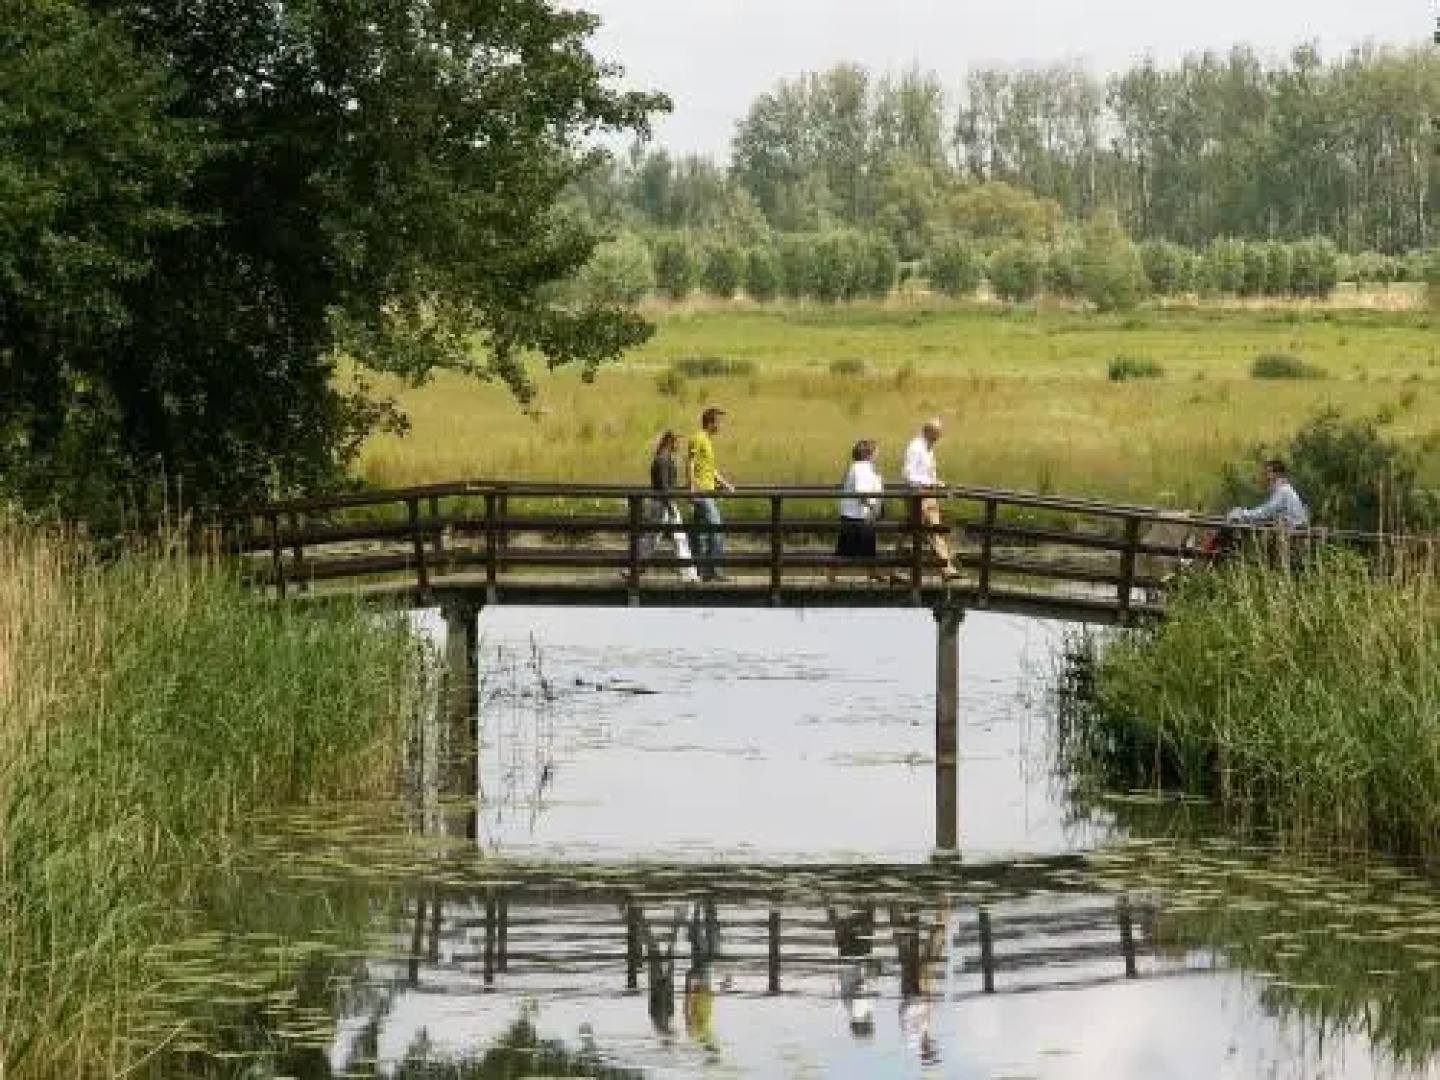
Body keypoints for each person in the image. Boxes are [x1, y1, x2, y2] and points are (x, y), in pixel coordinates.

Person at [635, 431, 700, 583]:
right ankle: (688, 574)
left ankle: (634, 568)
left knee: (654, 538)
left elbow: (667, 484)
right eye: (677, 442)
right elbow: (664, 486)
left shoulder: (664, 458)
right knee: (676, 538)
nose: (679, 445)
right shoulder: (663, 460)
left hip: (663, 502)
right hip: (664, 503)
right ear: (670, 442)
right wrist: (670, 505)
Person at [901, 418, 960, 582]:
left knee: (916, 531)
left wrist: (936, 482)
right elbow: (908, 474)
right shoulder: (915, 447)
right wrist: (930, 483)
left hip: (928, 493)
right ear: (927, 432)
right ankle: (946, 568)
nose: (940, 437)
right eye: (937, 434)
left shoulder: (928, 447)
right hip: (918, 495)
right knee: (933, 530)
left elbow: (926, 472)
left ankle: (896, 569)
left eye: (940, 433)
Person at [828, 439, 888, 584]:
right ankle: (832, 575)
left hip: (858, 514)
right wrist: (873, 507)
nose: (878, 454)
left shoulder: (863, 467)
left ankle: (872, 572)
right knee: (846, 547)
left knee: (867, 545)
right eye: (875, 451)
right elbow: (861, 492)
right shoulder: (861, 468)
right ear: (868, 454)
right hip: (856, 515)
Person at [687, 407, 735, 582]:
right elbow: (690, 463)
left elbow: (710, 469)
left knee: (699, 533)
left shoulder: (707, 440)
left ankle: (700, 570)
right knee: (716, 528)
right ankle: (713, 569)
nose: (721, 426)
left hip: (708, 491)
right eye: (719, 422)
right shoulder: (698, 438)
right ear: (710, 422)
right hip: (702, 492)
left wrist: (725, 484)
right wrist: (691, 488)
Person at [1227, 459, 1310, 529]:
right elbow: (1268, 512)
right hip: (1292, 528)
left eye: (1269, 472)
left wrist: (1242, 514)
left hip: (1294, 531)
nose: (1266, 476)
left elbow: (1266, 511)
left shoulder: (1283, 491)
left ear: (1278, 474)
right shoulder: (1283, 489)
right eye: (1266, 473)